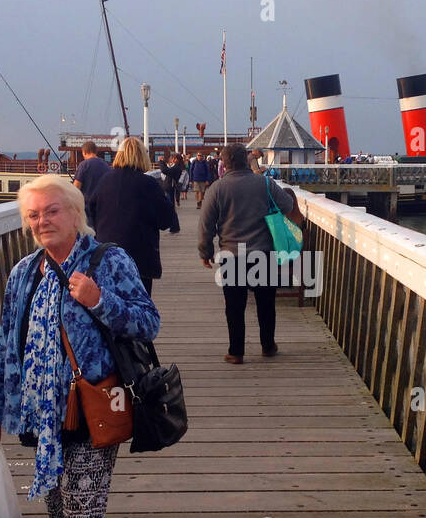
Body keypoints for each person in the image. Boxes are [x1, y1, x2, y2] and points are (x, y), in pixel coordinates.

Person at [0, 174, 160, 518]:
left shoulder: (108, 260)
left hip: (93, 404)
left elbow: (148, 322)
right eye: (33, 215)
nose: (42, 221)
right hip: (41, 412)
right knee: (59, 505)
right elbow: (6, 345)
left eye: (51, 210)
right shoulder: (24, 273)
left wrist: (99, 300)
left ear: (76, 213)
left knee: (83, 508)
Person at [198, 143, 306, 364]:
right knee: (266, 303)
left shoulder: (217, 189)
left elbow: (206, 225)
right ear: (246, 160)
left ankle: (236, 352)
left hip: (231, 255)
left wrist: (205, 252)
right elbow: (287, 205)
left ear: (225, 162)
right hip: (263, 253)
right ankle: (268, 346)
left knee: (234, 307)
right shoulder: (265, 183)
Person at [86, 135, 179, 296]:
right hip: (140, 258)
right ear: (142, 156)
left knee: (109, 302)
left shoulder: (104, 181)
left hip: (107, 255)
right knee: (139, 304)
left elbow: (91, 213)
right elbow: (166, 220)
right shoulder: (149, 184)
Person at [73, 140, 110, 225]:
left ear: (84, 152)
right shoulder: (106, 166)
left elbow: (75, 188)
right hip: (102, 208)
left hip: (87, 208)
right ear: (95, 151)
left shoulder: (84, 165)